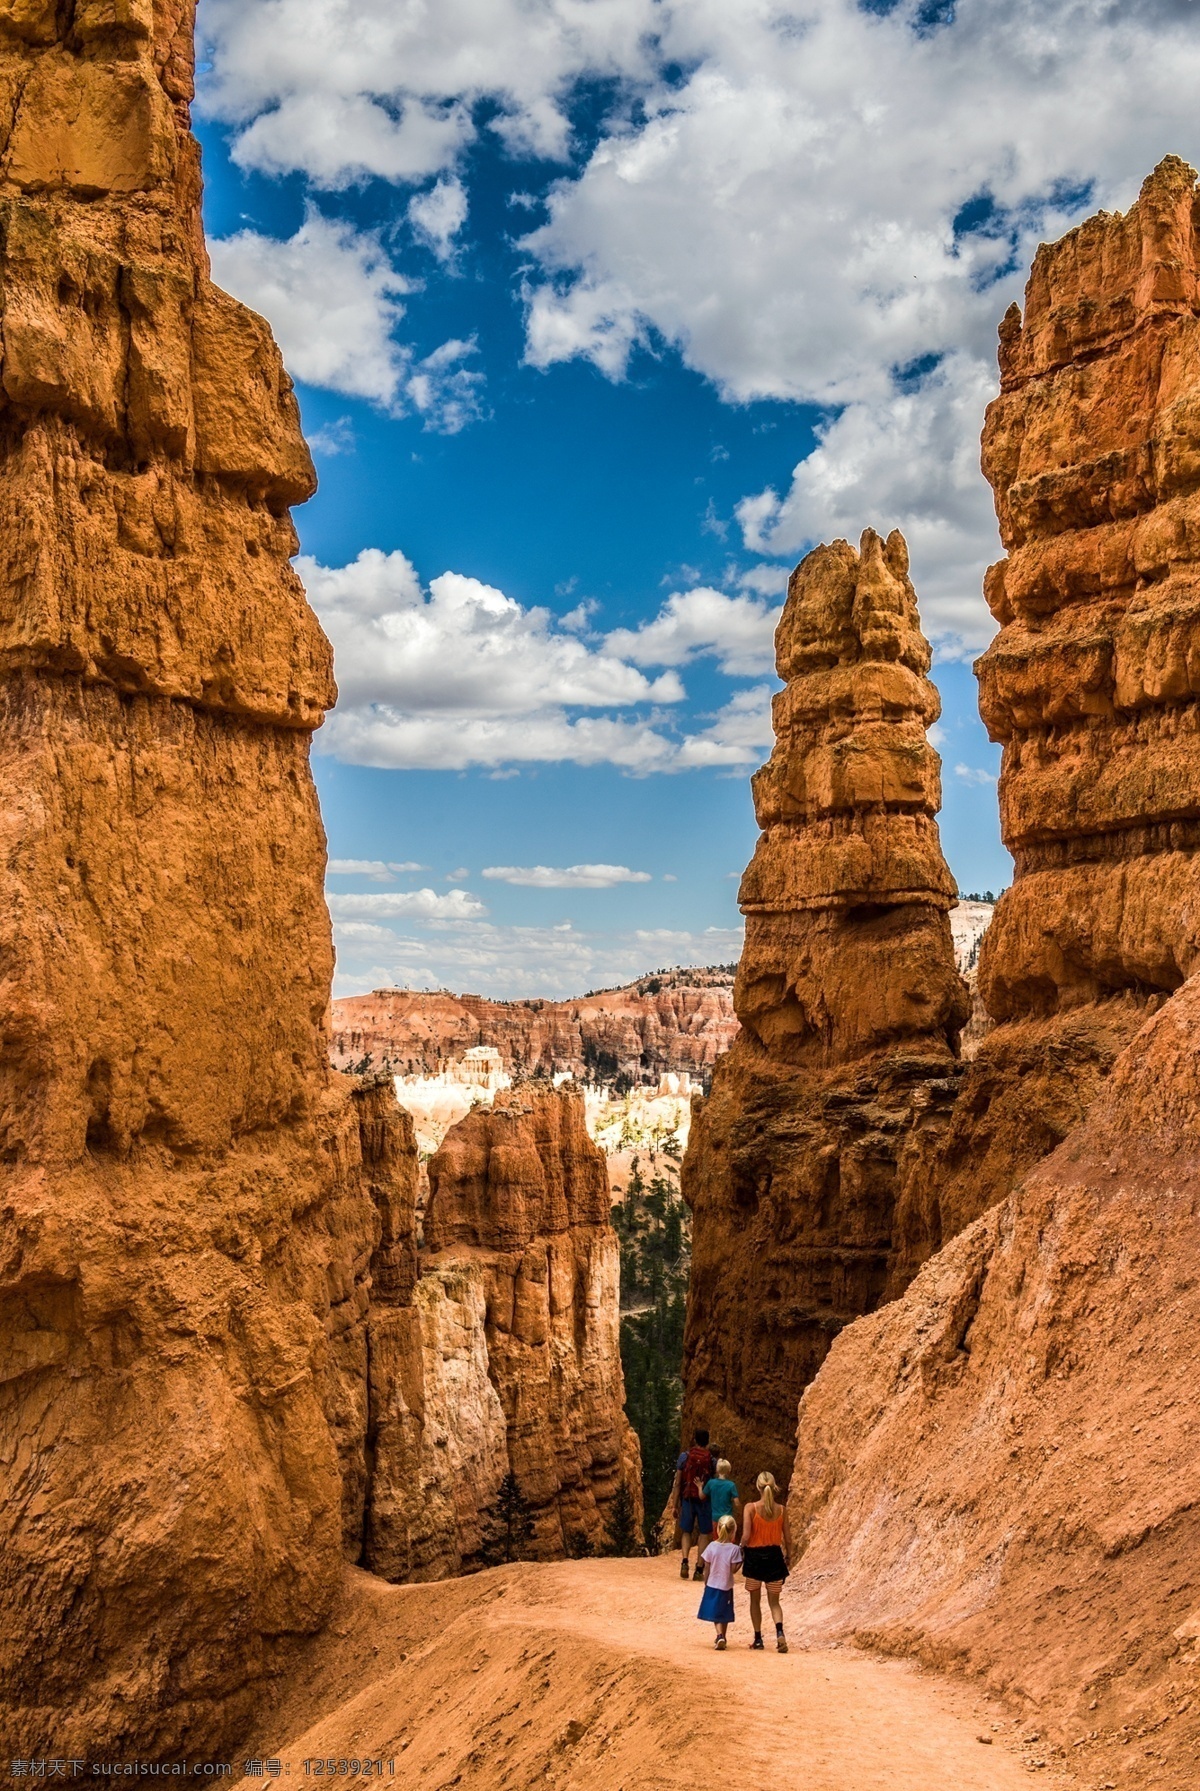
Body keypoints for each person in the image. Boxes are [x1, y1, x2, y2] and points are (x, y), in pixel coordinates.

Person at [740, 1470, 792, 1652]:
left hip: (754, 1558)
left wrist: (740, 1548)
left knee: (755, 1600)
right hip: (775, 1558)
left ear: (758, 1487)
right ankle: (780, 1634)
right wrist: (789, 1557)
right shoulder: (781, 1510)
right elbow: (788, 1538)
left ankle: (758, 1639)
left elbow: (746, 1536)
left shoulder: (750, 1508)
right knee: (774, 1602)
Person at [669, 1428, 715, 1580]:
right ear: (707, 1441)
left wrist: (675, 1505)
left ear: (695, 1440)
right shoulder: (711, 1460)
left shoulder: (685, 1457)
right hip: (704, 1501)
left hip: (687, 1499)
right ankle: (699, 1569)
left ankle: (684, 1561)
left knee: (686, 1532)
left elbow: (678, 1482)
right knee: (704, 1534)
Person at [697, 1514, 742, 1649]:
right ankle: (722, 1636)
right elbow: (733, 1570)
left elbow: (707, 1565)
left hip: (712, 1584)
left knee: (715, 1612)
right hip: (726, 1585)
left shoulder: (712, 1546)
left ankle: (719, 1636)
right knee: (724, 1612)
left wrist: (706, 1581)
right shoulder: (734, 1549)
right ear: (733, 1531)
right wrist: (741, 1561)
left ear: (718, 1529)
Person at [703, 1458, 740, 1534]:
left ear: (717, 1470)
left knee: (717, 1540)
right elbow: (737, 1503)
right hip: (727, 1518)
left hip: (715, 1518)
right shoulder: (731, 1485)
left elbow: (701, 1496)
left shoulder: (711, 1483)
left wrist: (700, 1487)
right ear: (729, 1471)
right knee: (728, 1539)